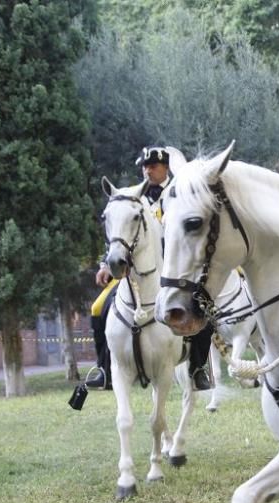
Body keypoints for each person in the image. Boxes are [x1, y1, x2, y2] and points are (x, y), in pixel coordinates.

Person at [89, 146, 212, 391]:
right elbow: (118, 233)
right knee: (98, 307)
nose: (147, 170)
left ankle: (198, 368)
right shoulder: (133, 197)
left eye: (153, 166)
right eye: (145, 166)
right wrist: (105, 264)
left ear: (165, 168)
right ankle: (104, 369)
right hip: (134, 271)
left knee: (201, 307)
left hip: (176, 268)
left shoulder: (178, 194)